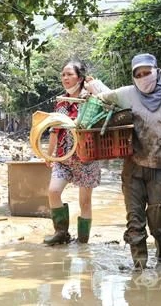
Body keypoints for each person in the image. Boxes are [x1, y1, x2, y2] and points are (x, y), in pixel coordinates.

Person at [96, 54, 161, 269]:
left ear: (157, 72)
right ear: (133, 76)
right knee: (135, 221)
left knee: (158, 221)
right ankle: (140, 268)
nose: (143, 78)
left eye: (147, 73)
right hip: (132, 168)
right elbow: (99, 101)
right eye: (138, 74)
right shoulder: (125, 94)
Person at [43, 59, 101, 246]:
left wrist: (94, 87)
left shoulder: (90, 99)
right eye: (63, 75)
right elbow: (54, 130)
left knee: (84, 202)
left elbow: (108, 101)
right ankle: (61, 233)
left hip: (86, 159)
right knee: (53, 191)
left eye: (70, 74)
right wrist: (49, 154)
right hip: (63, 158)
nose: (65, 78)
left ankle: (83, 242)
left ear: (80, 77)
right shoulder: (61, 103)